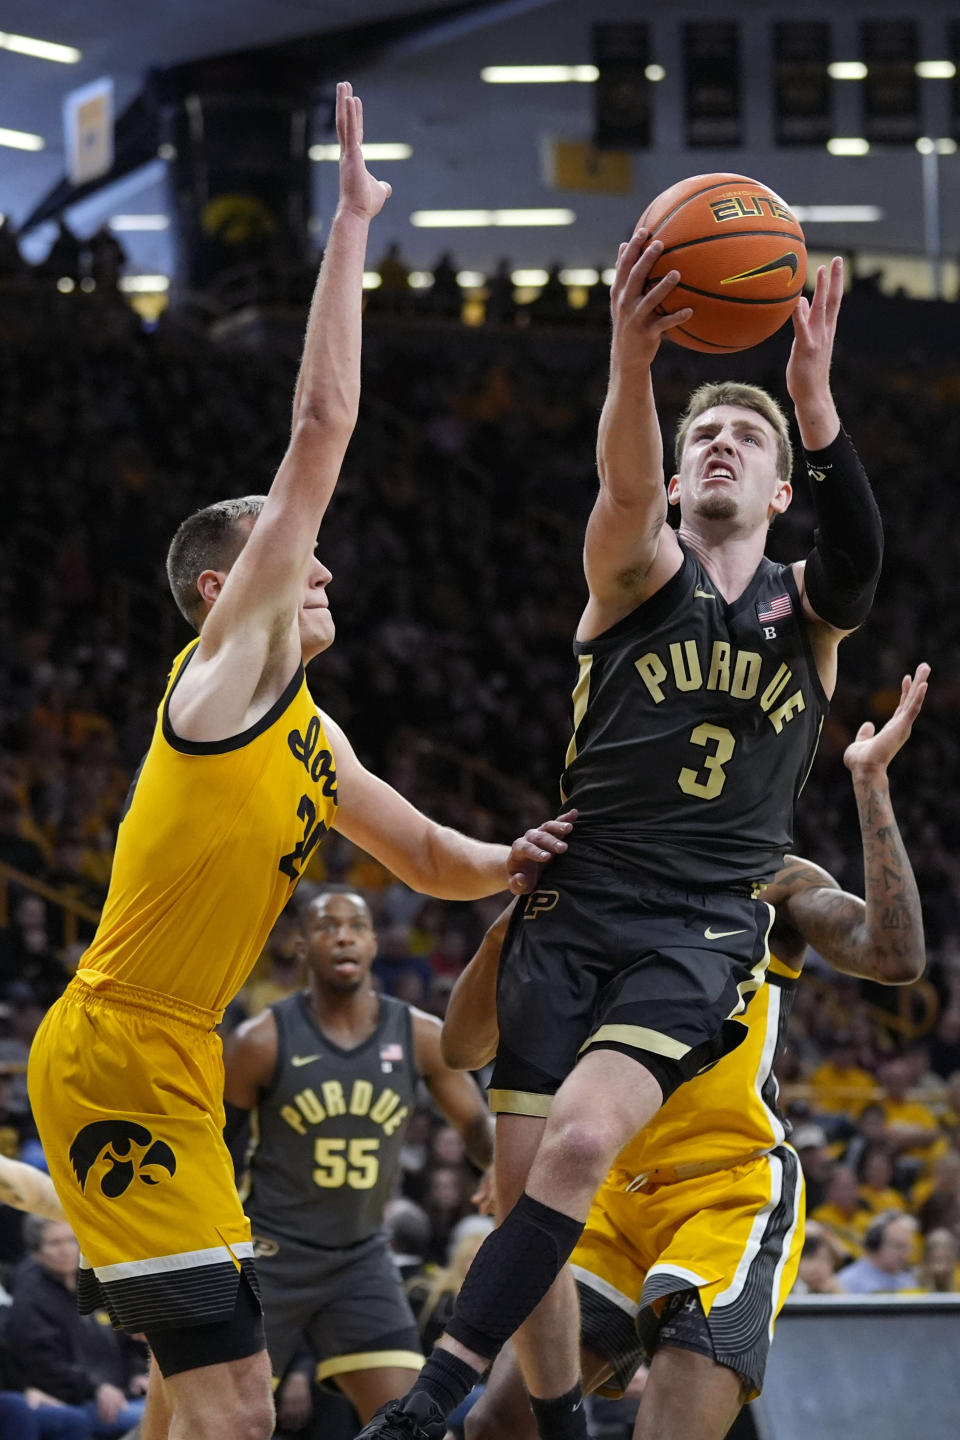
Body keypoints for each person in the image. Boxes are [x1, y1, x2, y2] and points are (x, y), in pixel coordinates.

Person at [26, 84, 571, 1440]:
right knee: (235, 1409)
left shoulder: (312, 733)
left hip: (168, 1055)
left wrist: (523, 861)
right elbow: (322, 424)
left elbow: (435, 860)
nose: (318, 561)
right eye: (285, 549)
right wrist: (349, 229)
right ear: (224, 588)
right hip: (120, 1050)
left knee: (192, 1400)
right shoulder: (219, 679)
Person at [358, 233, 884, 1438]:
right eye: (706, 430)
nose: (719, 445)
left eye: (744, 441)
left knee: (585, 1136)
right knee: (523, 1175)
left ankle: (428, 1397)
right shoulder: (634, 575)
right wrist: (631, 355)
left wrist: (812, 404)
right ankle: (521, 1410)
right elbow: (626, 489)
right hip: (578, 896)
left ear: (778, 488)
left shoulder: (805, 617)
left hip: (698, 918)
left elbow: (863, 554)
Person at [444, 671, 927, 1440]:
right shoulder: (585, 878)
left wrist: (870, 784)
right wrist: (517, 906)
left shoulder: (777, 881)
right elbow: (463, 1045)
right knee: (499, 1424)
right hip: (612, 1194)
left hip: (726, 1189)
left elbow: (895, 958)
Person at [222, 885, 497, 1425]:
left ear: (373, 943)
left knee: (412, 1426)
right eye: (327, 926)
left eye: (356, 926)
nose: (343, 935)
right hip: (270, 1259)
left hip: (360, 1260)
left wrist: (498, 1167)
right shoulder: (260, 1041)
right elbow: (216, 1152)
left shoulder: (419, 1034)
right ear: (301, 946)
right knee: (222, 1425)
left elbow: (475, 1126)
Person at [5, 1216, 149, 1437]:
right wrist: (96, 1389)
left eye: (71, 1240)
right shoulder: (30, 1300)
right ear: (36, 1251)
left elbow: (130, 1338)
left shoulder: (96, 1283)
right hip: (79, 1402)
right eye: (54, 1243)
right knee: (161, 1420)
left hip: (127, 1393)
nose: (65, 1250)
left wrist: (140, 1372)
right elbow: (43, 1365)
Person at [834, 1212, 918, 1294]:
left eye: (908, 1248)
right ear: (874, 1243)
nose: (904, 1254)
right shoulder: (847, 1281)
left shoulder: (907, 1280)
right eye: (898, 1246)